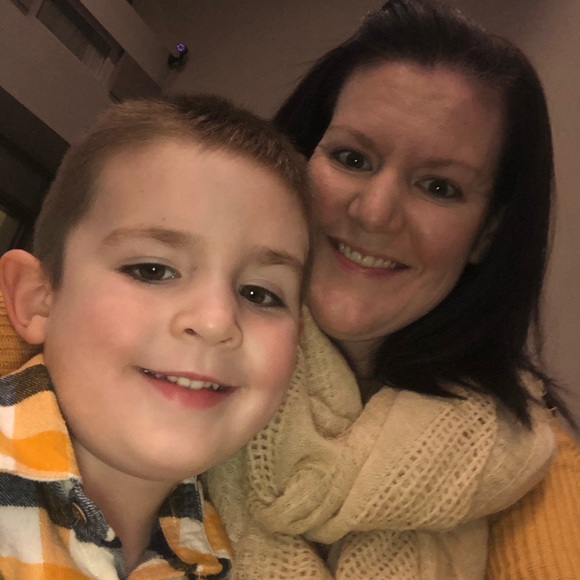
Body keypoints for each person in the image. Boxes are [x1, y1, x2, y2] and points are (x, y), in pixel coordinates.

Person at [205, 1, 571, 578]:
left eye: (439, 187)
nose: (375, 212)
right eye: (352, 158)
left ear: (487, 233)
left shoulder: (532, 462)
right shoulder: (168, 343)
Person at [0, 94, 311, 578]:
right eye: (152, 270)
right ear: (37, 298)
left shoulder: (216, 555)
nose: (216, 321)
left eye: (260, 294)